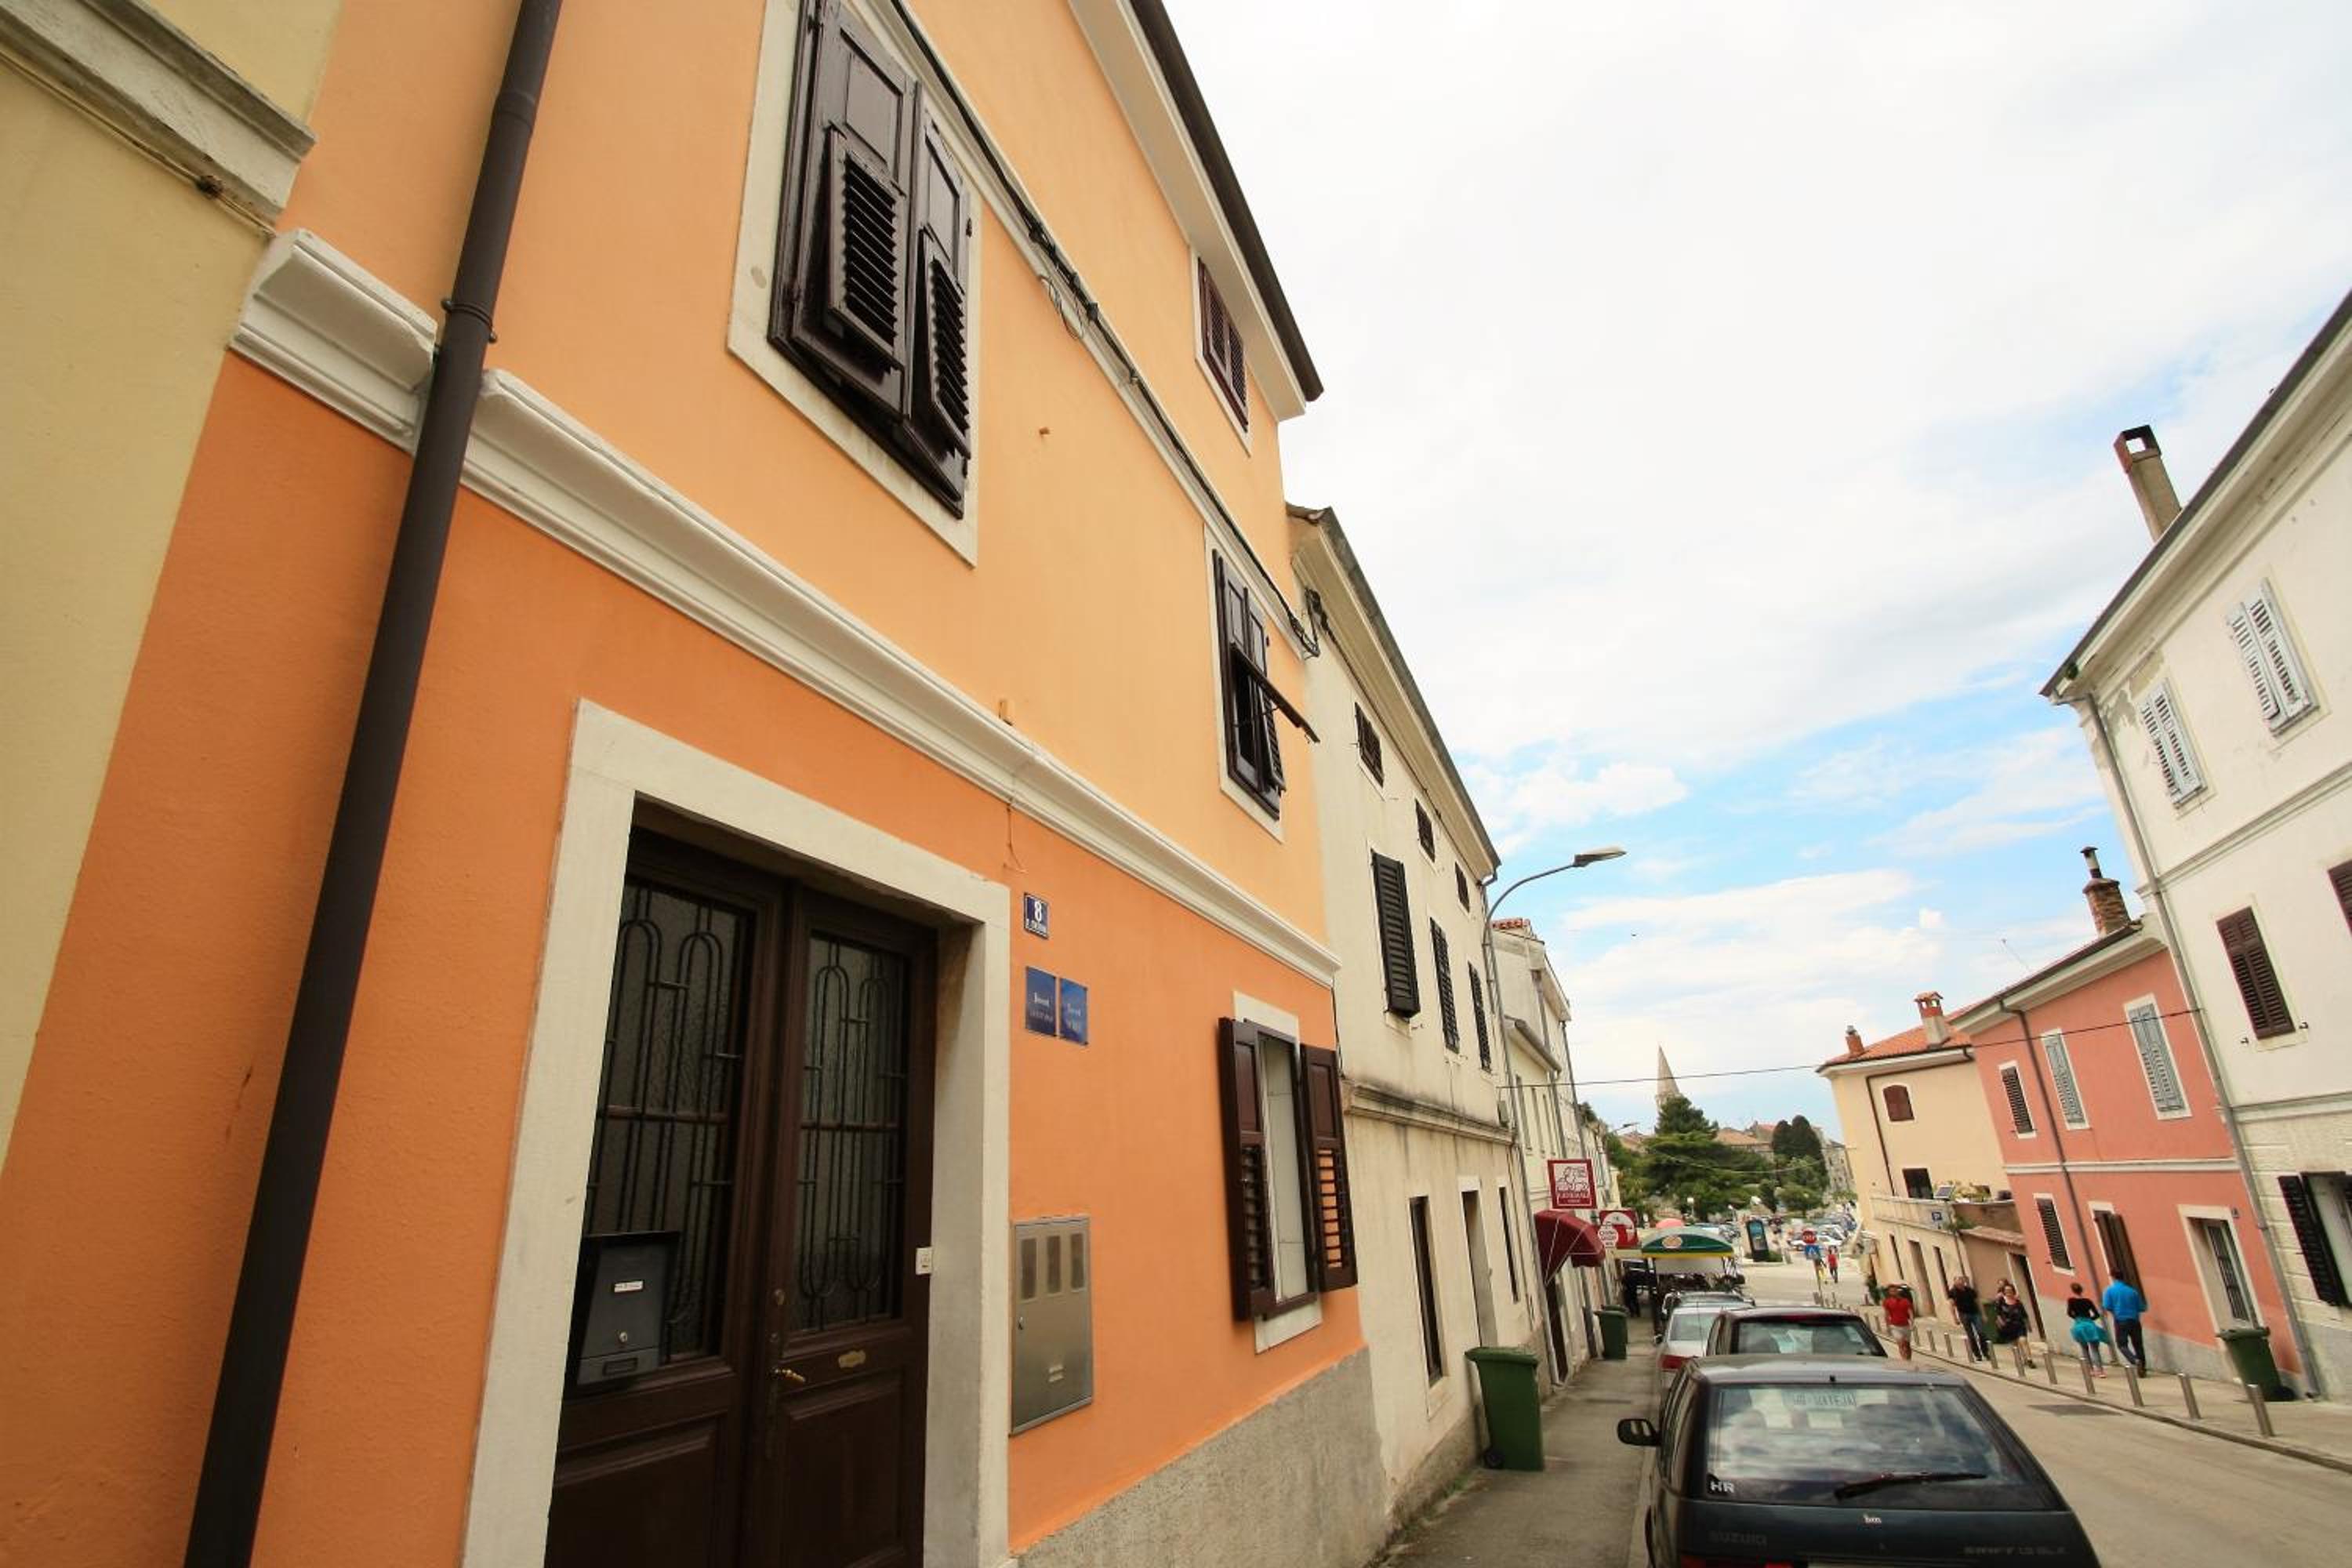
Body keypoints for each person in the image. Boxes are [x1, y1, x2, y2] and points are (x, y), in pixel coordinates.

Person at [2102, 1269, 2149, 1372]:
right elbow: (2142, 1308)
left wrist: (2115, 1310)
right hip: (2135, 1320)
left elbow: (2107, 1306)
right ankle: (2143, 1369)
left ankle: (2135, 1361)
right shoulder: (2132, 1291)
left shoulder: (2110, 1291)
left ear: (2113, 1277)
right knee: (2138, 1345)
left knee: (2122, 1345)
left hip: (2120, 1320)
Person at [2065, 1282, 2110, 1374]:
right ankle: (2100, 1371)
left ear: (2073, 1291)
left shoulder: (2071, 1301)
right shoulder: (2088, 1301)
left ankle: (2091, 1370)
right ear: (2082, 1290)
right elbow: (2097, 1314)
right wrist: (2090, 1319)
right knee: (2095, 1349)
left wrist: (2077, 1318)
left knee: (2084, 1349)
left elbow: (2069, 1313)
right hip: (2090, 1325)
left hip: (2079, 1326)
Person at [1991, 1280, 2034, 1367]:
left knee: (2023, 1341)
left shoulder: (2018, 1303)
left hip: (2019, 1324)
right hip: (2008, 1326)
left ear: (2013, 1291)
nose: (2008, 1293)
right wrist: (2000, 1322)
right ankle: (2021, 1359)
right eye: (2006, 1291)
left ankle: (2029, 1360)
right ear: (2004, 1292)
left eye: (2010, 1291)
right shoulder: (2001, 1302)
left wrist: (2028, 1325)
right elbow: (1998, 1313)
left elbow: (2024, 1315)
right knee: (2014, 1345)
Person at [1946, 1276, 1988, 1361]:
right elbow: (1951, 1305)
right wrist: (1955, 1318)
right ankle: (1977, 1354)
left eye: (1961, 1281)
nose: (1960, 1283)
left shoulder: (1970, 1291)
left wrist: (1983, 1314)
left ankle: (1985, 1352)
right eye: (1958, 1281)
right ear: (1955, 1283)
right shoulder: (1952, 1292)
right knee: (1971, 1335)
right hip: (1964, 1314)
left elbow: (1978, 1302)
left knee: (1981, 1333)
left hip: (1975, 1313)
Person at [1882, 1282, 1915, 1360]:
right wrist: (1888, 1327)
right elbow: (1886, 1315)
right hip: (1895, 1326)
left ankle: (1909, 1360)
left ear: (1897, 1291)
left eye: (1895, 1290)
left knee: (1907, 1346)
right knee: (1901, 1344)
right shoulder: (1887, 1302)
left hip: (1906, 1326)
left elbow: (1910, 1313)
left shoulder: (1905, 1301)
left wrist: (1912, 1323)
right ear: (1889, 1293)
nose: (1893, 1292)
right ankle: (1904, 1361)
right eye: (1891, 1291)